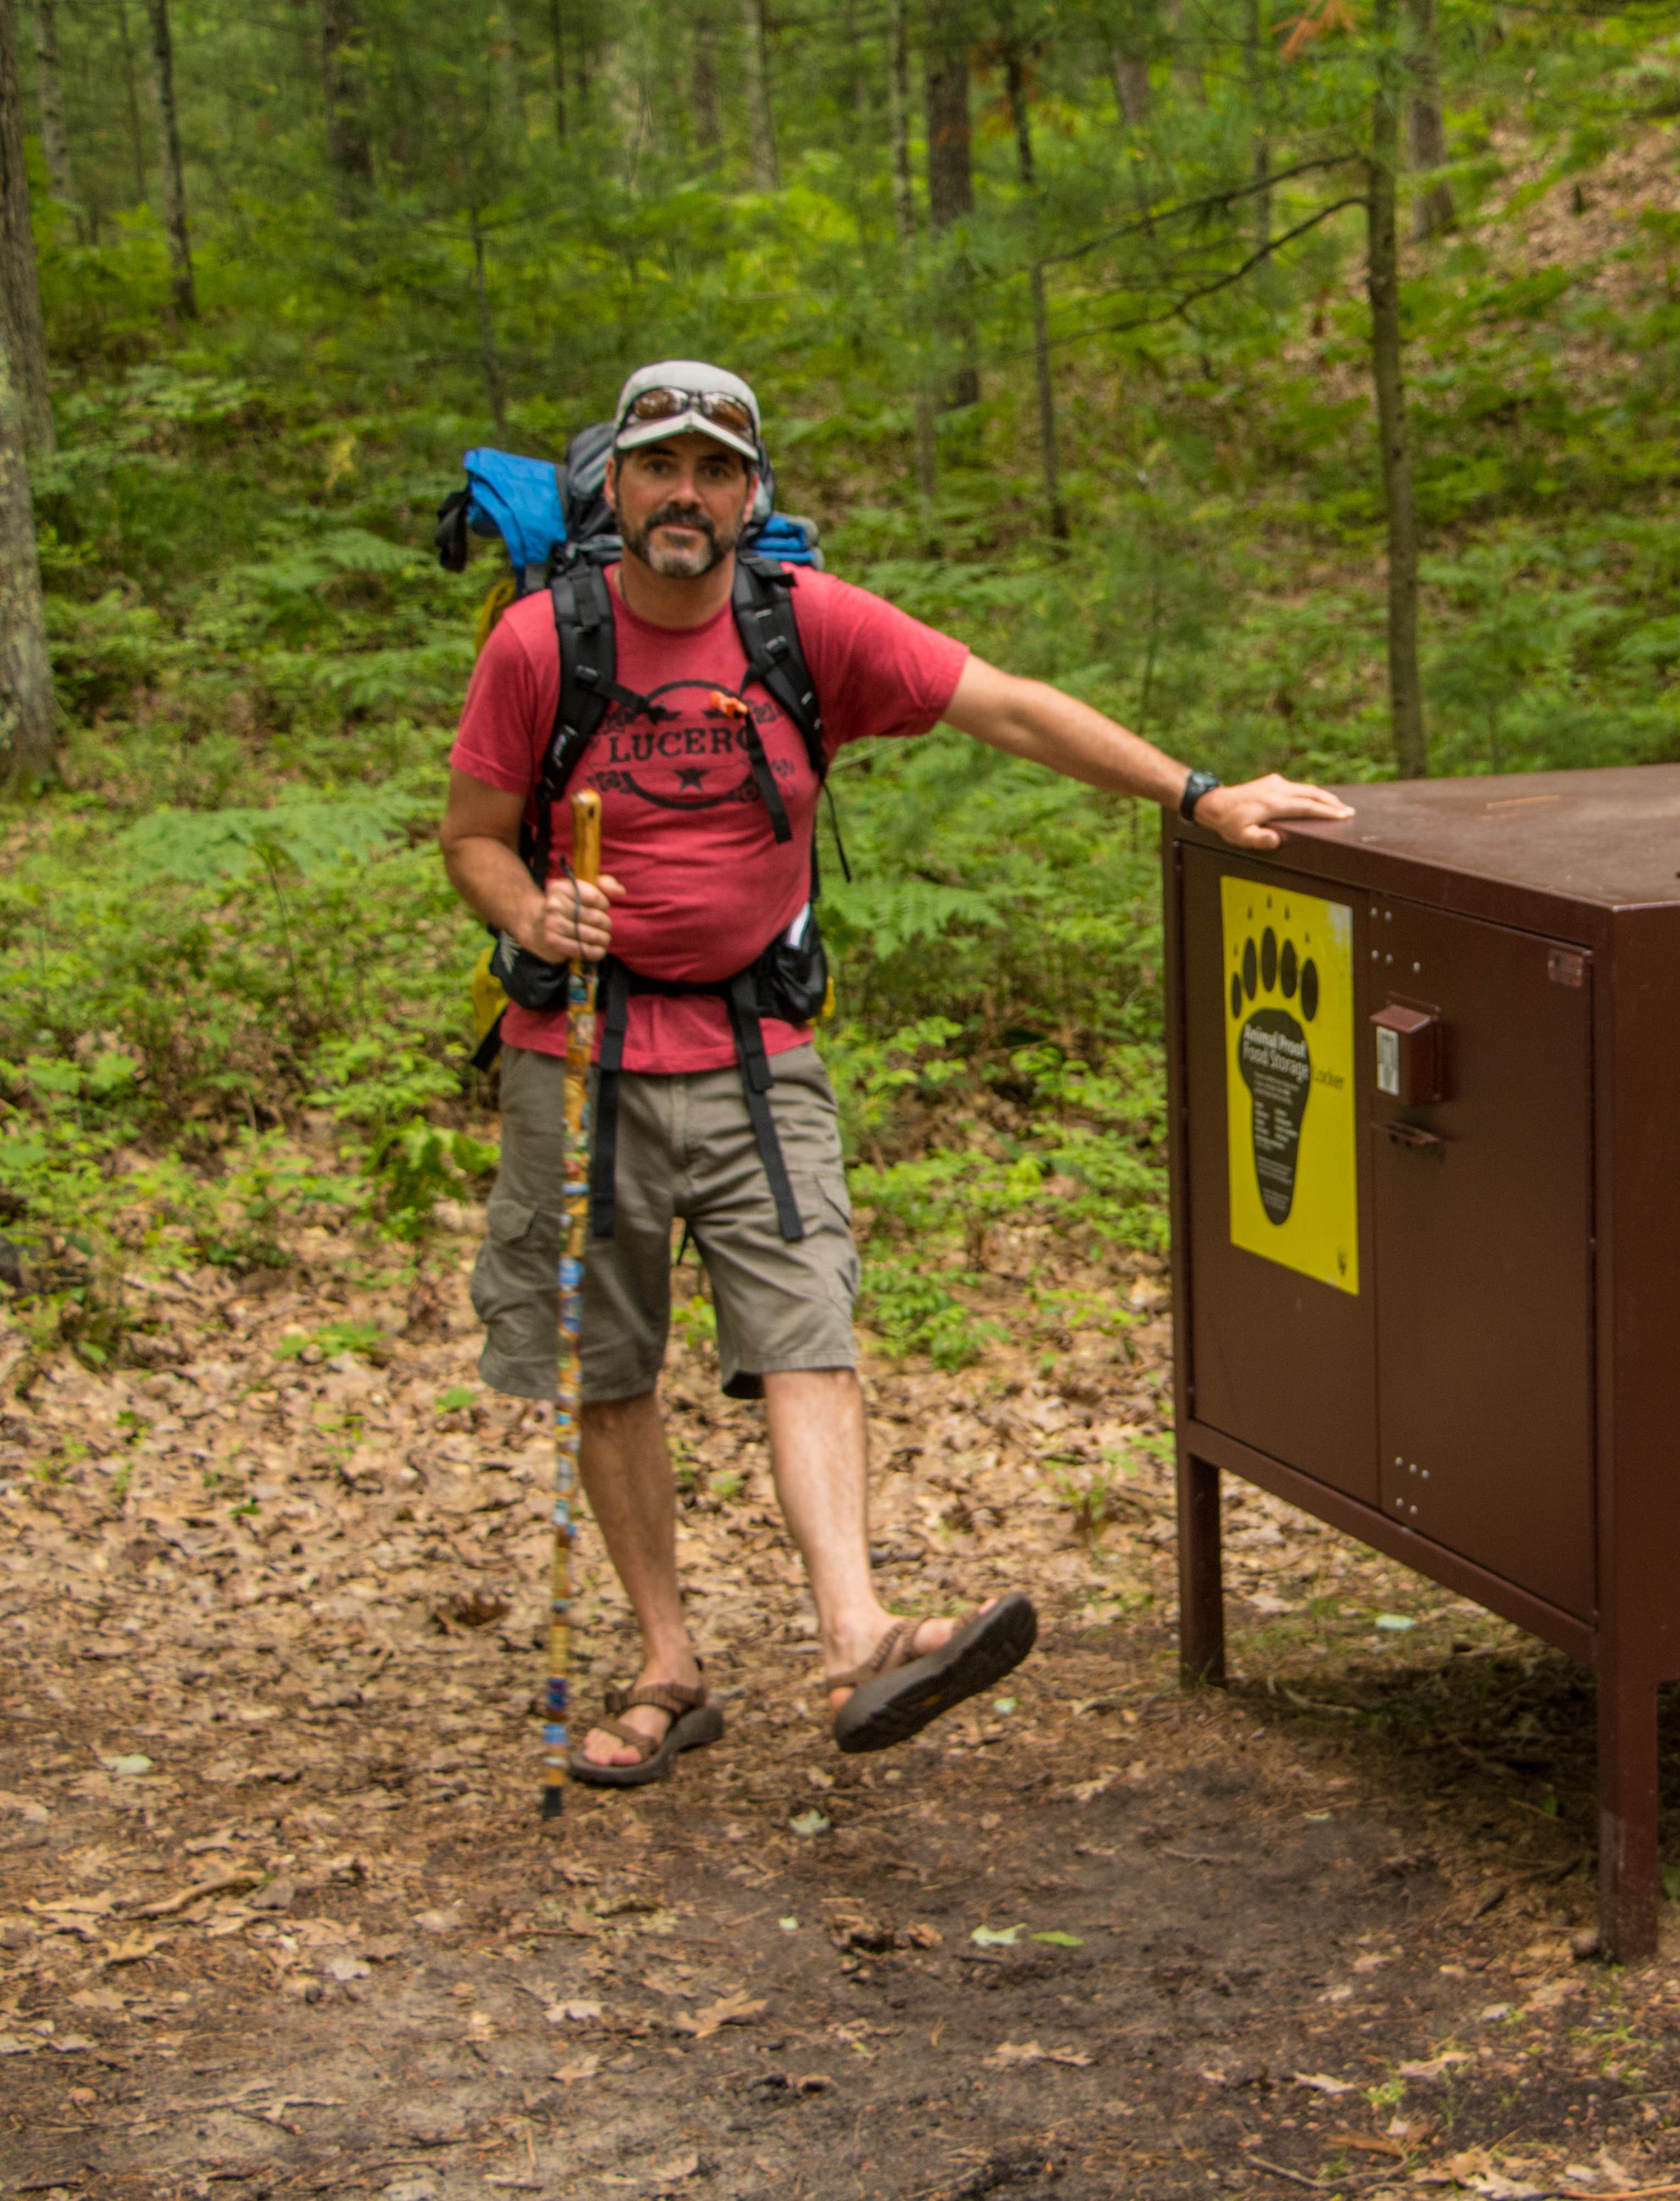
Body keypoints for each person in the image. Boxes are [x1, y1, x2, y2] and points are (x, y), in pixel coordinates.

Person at [440, 360, 1351, 1784]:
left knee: (808, 1327)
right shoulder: (541, 643)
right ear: (612, 486)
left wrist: (1196, 792)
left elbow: (1011, 708)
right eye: (659, 468)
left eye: (716, 470)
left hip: (760, 1056)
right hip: (581, 1055)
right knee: (608, 1363)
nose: (687, 494)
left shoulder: (803, 629)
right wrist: (527, 910)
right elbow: (475, 834)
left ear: (755, 494)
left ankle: (857, 1634)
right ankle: (668, 1667)